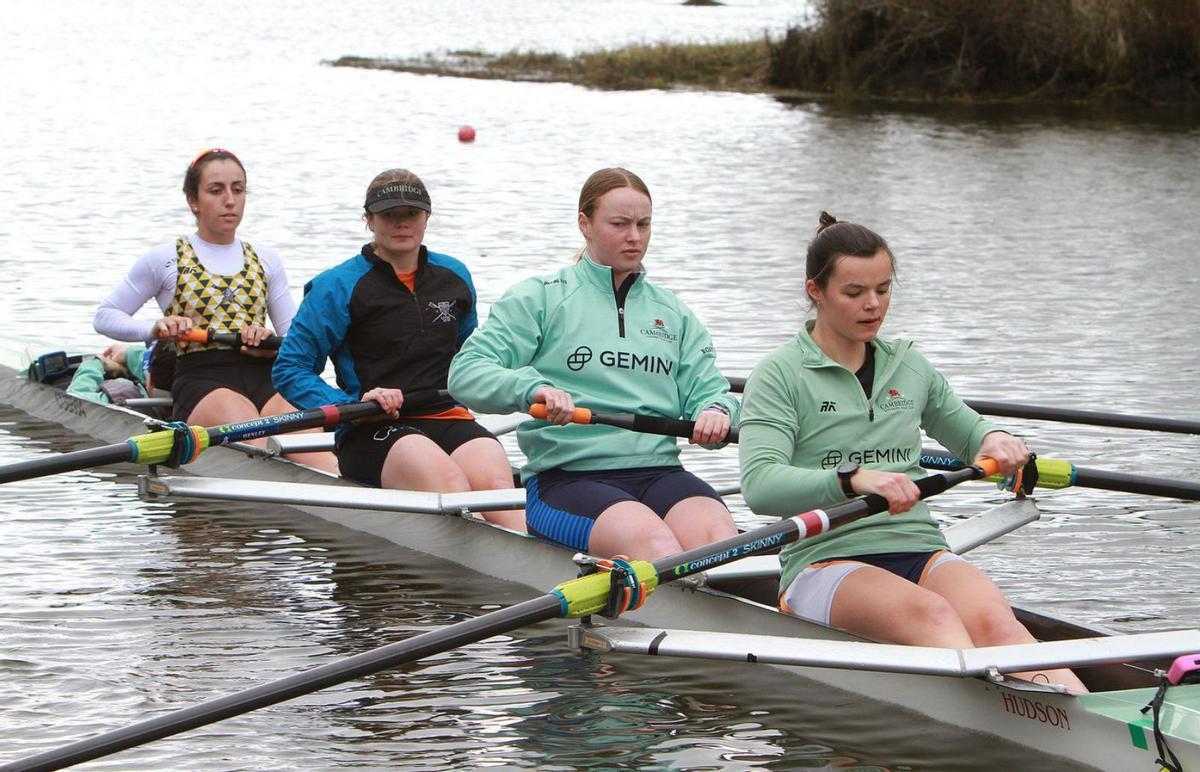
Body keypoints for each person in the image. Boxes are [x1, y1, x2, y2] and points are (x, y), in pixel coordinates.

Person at [738, 212, 1087, 692]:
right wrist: (850, 479)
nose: (873, 305)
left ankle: (1113, 740)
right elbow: (761, 485)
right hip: (825, 560)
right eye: (855, 293)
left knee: (1001, 629)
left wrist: (995, 442)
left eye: (883, 289)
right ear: (815, 292)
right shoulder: (779, 375)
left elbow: (969, 432)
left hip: (918, 545)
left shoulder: (909, 365)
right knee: (934, 614)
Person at [448, 167, 739, 561]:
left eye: (643, 224)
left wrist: (717, 411)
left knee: (719, 540)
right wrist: (532, 389)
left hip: (660, 472)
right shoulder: (541, 299)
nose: (634, 237)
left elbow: (708, 388)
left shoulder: (673, 313)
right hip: (567, 478)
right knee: (655, 545)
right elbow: (466, 373)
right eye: (619, 224)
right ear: (584, 223)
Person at [272, 169, 523, 531]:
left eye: (411, 214)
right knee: (451, 486)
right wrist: (348, 407)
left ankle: (543, 565)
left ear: (427, 218)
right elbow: (290, 368)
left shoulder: (454, 276)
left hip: (446, 415)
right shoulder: (336, 286)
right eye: (389, 215)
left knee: (499, 489)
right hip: (371, 426)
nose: (401, 224)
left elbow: (471, 359)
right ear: (369, 220)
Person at [92, 148, 336, 472]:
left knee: (311, 444)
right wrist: (155, 327)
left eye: (238, 189)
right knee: (259, 444)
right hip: (203, 377)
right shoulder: (166, 258)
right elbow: (105, 315)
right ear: (194, 200)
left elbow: (294, 337)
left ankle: (354, 499)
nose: (230, 200)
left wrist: (268, 343)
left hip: (265, 374)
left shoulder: (266, 260)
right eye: (216, 190)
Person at [66, 343, 148, 404]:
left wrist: (97, 362)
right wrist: (128, 353)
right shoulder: (158, 383)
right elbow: (156, 363)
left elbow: (74, 398)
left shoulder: (127, 393)